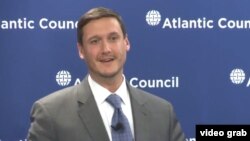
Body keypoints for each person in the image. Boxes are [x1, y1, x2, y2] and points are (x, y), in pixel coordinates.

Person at [27, 7, 185, 141]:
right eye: (95, 41)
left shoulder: (163, 112)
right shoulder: (50, 113)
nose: (106, 49)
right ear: (81, 50)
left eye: (113, 38)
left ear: (126, 43)